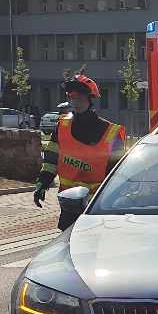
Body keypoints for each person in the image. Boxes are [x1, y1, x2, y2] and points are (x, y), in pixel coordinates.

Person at [34, 74, 126, 230]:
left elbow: (117, 174)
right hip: (69, 205)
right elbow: (51, 160)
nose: (75, 101)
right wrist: (42, 183)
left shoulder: (111, 132)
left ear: (90, 98)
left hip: (97, 207)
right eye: (71, 96)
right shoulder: (62, 126)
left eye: (79, 97)